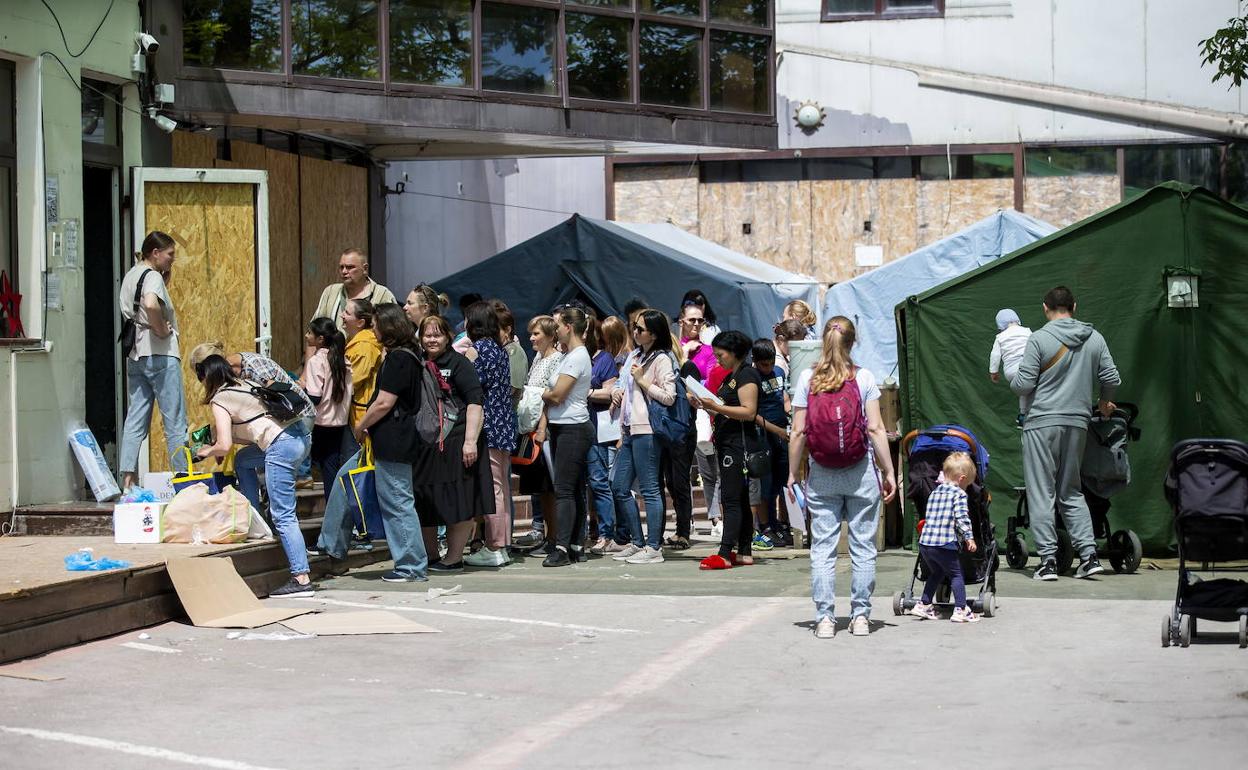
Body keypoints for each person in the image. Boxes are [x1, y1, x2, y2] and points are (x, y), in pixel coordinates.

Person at [787, 316, 897, 639]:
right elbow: (875, 428)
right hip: (860, 472)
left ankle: (825, 619)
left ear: (823, 340)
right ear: (853, 342)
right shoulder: (864, 377)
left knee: (823, 548)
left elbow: (798, 431)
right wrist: (889, 470)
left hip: (822, 473)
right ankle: (860, 617)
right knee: (863, 547)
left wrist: (793, 473)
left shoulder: (807, 378)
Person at [1010, 286, 1120, 582]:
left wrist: (1012, 376)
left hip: (1041, 422)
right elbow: (1111, 377)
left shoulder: (1039, 339)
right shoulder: (1094, 338)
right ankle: (1089, 556)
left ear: (1045, 308)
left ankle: (1048, 561)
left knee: (1041, 492)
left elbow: (1023, 385)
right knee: (1071, 490)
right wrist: (1104, 401)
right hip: (1078, 422)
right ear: (1074, 306)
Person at [317, 303, 429, 583]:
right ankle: (331, 548)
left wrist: (360, 425)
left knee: (398, 502)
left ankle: (411, 566)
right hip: (382, 440)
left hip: (392, 440)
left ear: (388, 327)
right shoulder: (404, 355)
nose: (373, 328)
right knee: (344, 480)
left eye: (376, 324)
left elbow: (384, 402)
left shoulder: (399, 359)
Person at [193, 354, 313, 597]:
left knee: (283, 515)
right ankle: (255, 519)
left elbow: (224, 445)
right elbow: (252, 427)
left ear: (207, 378)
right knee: (243, 460)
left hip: (281, 445)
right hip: (301, 437)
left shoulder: (220, 399)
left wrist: (206, 451)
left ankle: (301, 578)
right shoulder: (245, 384)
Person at [413, 315, 492, 573]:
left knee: (459, 499)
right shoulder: (417, 361)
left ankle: (454, 557)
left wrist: (470, 442)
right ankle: (431, 555)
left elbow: (475, 402)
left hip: (457, 441)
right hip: (426, 445)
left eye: (437, 335)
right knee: (424, 497)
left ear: (448, 337)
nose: (431, 340)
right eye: (427, 335)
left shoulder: (459, 363)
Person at [119, 231, 188, 490]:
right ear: (155, 253)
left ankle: (128, 480)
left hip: (136, 355)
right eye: (170, 254)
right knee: (175, 421)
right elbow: (150, 303)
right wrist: (160, 330)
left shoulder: (130, 275)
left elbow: (138, 307)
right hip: (161, 354)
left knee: (135, 418)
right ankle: (183, 480)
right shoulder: (153, 277)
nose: (172, 259)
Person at [689, 331, 762, 570]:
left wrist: (715, 407)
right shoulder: (732, 376)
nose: (718, 360)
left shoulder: (747, 374)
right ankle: (744, 551)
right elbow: (724, 410)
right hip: (728, 442)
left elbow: (748, 411)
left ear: (734, 352)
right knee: (739, 497)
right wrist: (705, 405)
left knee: (730, 498)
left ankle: (724, 552)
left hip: (738, 445)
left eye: (721, 355)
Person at [609, 309, 677, 565]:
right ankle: (637, 541)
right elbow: (620, 383)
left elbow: (669, 396)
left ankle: (654, 546)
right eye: (634, 327)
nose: (635, 332)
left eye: (640, 329)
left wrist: (643, 382)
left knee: (649, 489)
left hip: (647, 430)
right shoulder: (634, 355)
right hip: (628, 428)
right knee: (618, 485)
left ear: (654, 334)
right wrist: (616, 392)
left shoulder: (662, 359)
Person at [540, 306, 596, 567]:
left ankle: (562, 547)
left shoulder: (577, 357)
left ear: (568, 327)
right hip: (564, 426)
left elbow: (557, 395)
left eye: (558, 325)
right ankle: (575, 544)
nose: (555, 329)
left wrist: (537, 393)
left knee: (564, 489)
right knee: (572, 488)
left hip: (573, 427)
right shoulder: (569, 355)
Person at [463, 301, 517, 569]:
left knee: (493, 487)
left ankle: (494, 545)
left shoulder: (477, 351)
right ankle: (502, 545)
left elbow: (470, 387)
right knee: (502, 486)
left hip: (488, 424)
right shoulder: (500, 350)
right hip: (505, 423)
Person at [909, 452, 980, 623]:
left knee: (937, 572)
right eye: (967, 484)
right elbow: (962, 518)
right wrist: (969, 537)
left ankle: (924, 604)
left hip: (926, 543)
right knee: (956, 575)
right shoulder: (959, 494)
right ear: (962, 479)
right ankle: (961, 609)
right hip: (945, 543)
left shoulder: (935, 492)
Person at [514, 316, 562, 550]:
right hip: (530, 427)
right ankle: (548, 536)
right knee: (541, 490)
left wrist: (543, 428)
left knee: (551, 487)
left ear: (551, 336)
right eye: (531, 334)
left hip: (546, 431)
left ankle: (555, 538)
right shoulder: (537, 358)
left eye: (537, 334)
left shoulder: (556, 360)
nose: (532, 338)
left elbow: (550, 397)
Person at [299, 318, 351, 499]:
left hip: (321, 422)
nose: (306, 336)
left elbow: (315, 397)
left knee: (321, 465)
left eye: (310, 333)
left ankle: (331, 507)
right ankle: (334, 505)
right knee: (332, 468)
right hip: (340, 422)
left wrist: (299, 392)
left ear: (320, 339)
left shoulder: (316, 361)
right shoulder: (343, 360)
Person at [752, 338, 792, 547]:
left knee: (781, 479)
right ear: (755, 361)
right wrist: (775, 429)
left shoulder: (779, 372)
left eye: (770, 363)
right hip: (762, 434)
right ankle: (765, 525)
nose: (767, 368)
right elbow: (752, 413)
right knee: (765, 484)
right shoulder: (752, 377)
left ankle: (778, 523)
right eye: (763, 364)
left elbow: (783, 398)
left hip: (782, 432)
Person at [587, 317, 622, 554]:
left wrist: (586, 392)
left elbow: (611, 392)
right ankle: (584, 532)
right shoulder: (569, 356)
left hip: (597, 429)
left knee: (599, 481)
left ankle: (606, 533)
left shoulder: (604, 359)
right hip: (574, 426)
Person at [311, 247, 396, 336]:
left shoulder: (382, 295)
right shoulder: (331, 292)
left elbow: (393, 333)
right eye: (341, 267)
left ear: (365, 269)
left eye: (350, 267)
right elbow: (314, 330)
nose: (344, 271)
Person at [342, 299, 384, 451]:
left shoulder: (364, 346)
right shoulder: (354, 340)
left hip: (362, 414)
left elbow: (353, 381)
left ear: (360, 322)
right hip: (355, 411)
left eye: (347, 313)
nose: (342, 315)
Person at [989, 308, 1034, 427]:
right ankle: (1030, 413)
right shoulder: (1027, 331)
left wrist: (994, 372)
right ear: (1018, 321)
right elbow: (1036, 346)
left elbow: (995, 355)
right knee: (1031, 388)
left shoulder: (1000, 337)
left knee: (1023, 390)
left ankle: (1022, 415)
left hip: (1011, 370)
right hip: (1030, 366)